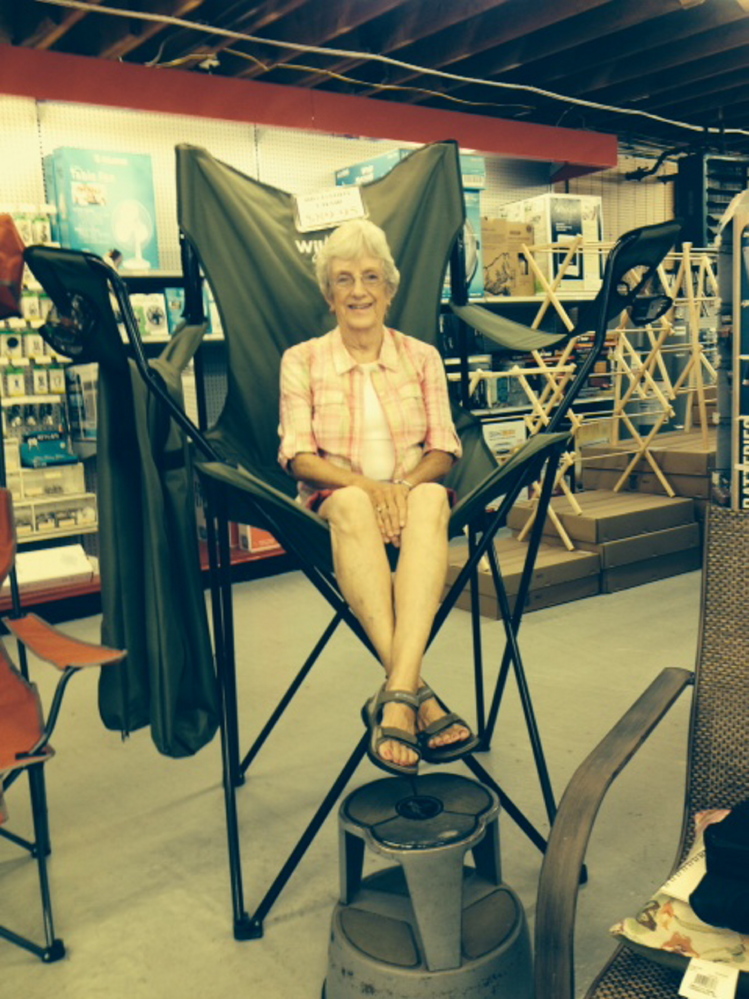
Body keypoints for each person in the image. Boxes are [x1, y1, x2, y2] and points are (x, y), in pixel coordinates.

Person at [278, 218, 478, 776]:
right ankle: (419, 695)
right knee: (350, 504)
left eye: (370, 277)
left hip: (413, 494)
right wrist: (371, 490)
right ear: (328, 294)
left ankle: (394, 697)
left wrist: (403, 489)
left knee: (434, 501)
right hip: (337, 505)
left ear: (390, 290)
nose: (358, 291)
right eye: (344, 279)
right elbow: (299, 456)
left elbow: (444, 448)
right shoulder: (302, 360)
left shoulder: (421, 357)